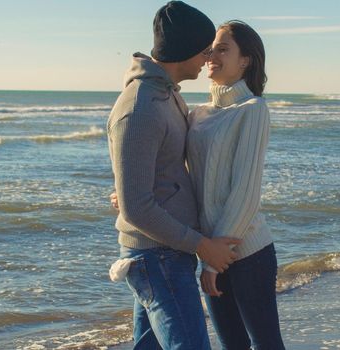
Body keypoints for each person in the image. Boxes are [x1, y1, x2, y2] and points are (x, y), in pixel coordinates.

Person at [107, 2, 241, 349]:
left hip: (165, 253)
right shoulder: (141, 108)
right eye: (204, 48)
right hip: (157, 257)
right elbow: (136, 207)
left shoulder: (166, 96)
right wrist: (203, 246)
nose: (207, 56)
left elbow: (149, 175)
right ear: (184, 49)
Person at [187, 20, 286, 350]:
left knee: (267, 345)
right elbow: (176, 171)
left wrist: (214, 261)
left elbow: (245, 193)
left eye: (223, 48)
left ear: (245, 60)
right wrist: (128, 189)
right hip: (210, 251)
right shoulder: (196, 114)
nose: (212, 55)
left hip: (249, 254)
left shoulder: (253, 110)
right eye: (211, 49)